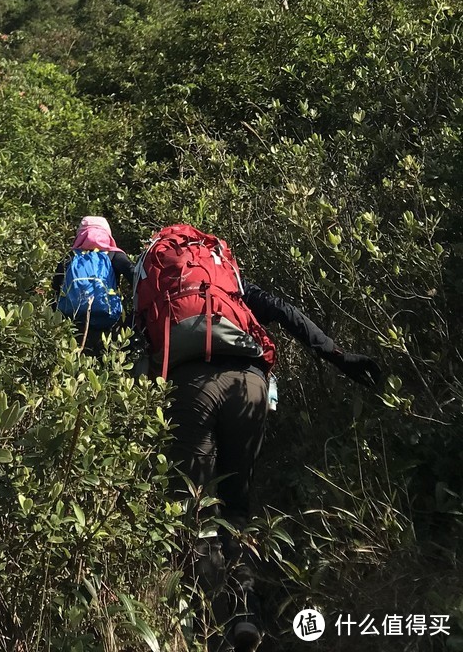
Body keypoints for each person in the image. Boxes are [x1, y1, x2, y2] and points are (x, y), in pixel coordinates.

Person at [132, 224, 382, 652]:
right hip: (248, 382)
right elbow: (283, 310)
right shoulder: (225, 274)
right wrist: (338, 355)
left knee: (195, 510)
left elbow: (136, 344)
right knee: (236, 505)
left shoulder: (152, 279)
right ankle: (246, 616)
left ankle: (212, 628)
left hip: (190, 388)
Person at [50, 215, 135, 354]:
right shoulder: (114, 255)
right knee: (107, 362)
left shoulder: (71, 256)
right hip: (109, 322)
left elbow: (55, 289)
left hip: (74, 322)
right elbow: (135, 279)